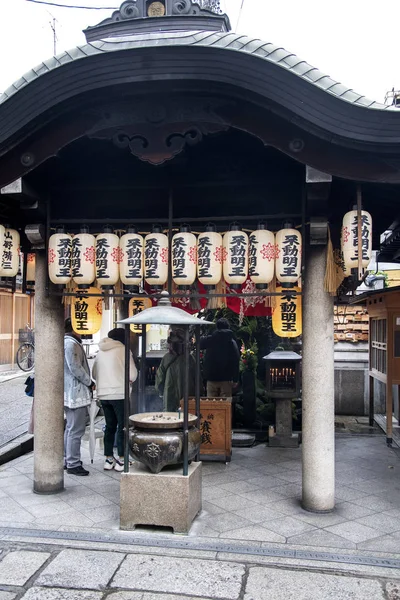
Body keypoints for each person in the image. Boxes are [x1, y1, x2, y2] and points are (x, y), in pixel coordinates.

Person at [92, 328, 137, 471]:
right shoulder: (124, 350)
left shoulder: (100, 351)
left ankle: (108, 459)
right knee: (123, 427)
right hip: (119, 394)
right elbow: (133, 374)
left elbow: (94, 373)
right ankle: (122, 460)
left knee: (110, 427)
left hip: (104, 395)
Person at [64, 318, 92, 476]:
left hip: (69, 392)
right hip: (75, 393)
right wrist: (89, 382)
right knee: (76, 429)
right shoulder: (71, 344)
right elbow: (75, 367)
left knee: (70, 428)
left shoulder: (68, 342)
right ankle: (73, 463)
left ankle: (68, 460)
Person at [155, 328, 195, 412]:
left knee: (171, 420)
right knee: (188, 419)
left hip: (170, 395)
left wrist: (161, 392)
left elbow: (160, 379)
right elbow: (197, 379)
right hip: (189, 396)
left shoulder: (166, 358)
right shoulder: (190, 358)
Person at [200, 317, 240, 398]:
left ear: (217, 327)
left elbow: (200, 344)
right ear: (228, 327)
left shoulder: (211, 339)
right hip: (226, 379)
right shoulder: (232, 342)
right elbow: (236, 360)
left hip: (211, 378)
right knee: (225, 406)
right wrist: (235, 379)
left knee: (211, 406)